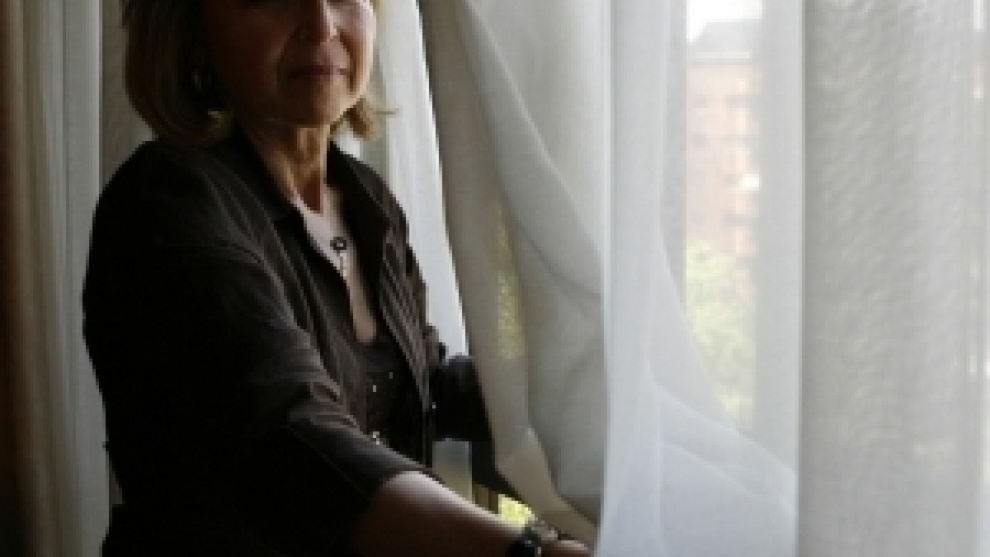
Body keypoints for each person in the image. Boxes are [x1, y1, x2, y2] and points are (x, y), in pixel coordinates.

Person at [82, 0, 591, 555]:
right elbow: (294, 442)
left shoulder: (367, 200)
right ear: (192, 32)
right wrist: (532, 553)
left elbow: (424, 384)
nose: (322, 24)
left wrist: (591, 408)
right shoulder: (168, 203)